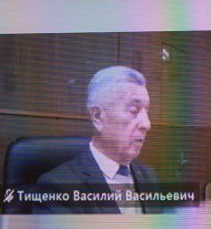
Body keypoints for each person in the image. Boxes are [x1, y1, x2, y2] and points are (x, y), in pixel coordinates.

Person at [31, 66, 179, 214]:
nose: (147, 124)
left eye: (146, 111)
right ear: (98, 117)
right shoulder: (58, 187)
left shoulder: (148, 176)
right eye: (134, 110)